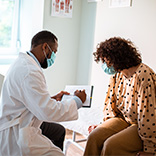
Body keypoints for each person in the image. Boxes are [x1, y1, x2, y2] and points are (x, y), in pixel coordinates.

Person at [0, 30, 86, 156]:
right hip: (18, 133)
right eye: (54, 52)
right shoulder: (29, 71)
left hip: (22, 122)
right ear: (45, 47)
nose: (53, 57)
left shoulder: (24, 63)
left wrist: (52, 99)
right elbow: (48, 112)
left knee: (58, 132)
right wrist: (77, 101)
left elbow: (30, 98)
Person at [84, 37, 156, 156]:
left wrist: (150, 149)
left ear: (116, 59)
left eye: (106, 61)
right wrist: (104, 124)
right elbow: (110, 104)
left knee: (111, 145)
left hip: (141, 125)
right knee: (94, 137)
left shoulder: (143, 76)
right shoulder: (117, 74)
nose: (104, 65)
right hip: (123, 119)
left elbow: (147, 115)